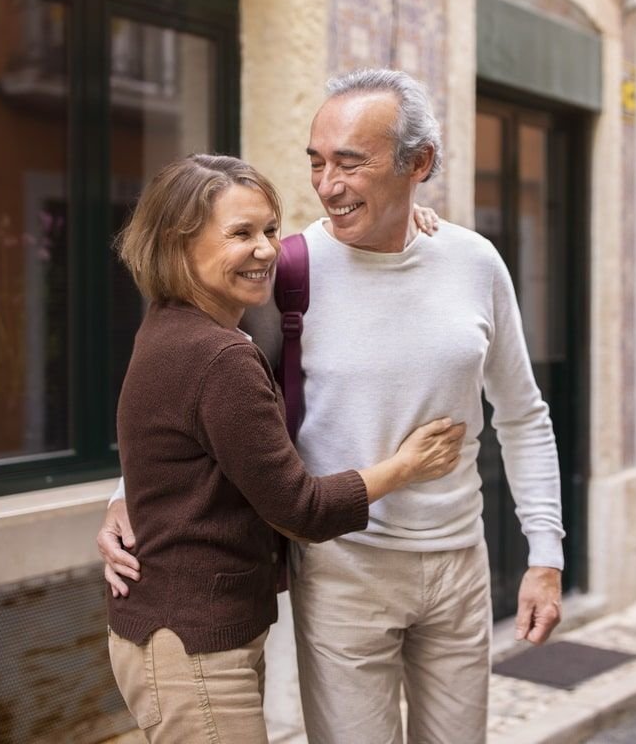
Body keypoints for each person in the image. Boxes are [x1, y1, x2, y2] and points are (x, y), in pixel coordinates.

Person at [99, 70, 565, 743]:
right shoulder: (280, 271)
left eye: (351, 162)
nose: (327, 184)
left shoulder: (473, 262)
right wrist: (125, 494)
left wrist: (544, 555)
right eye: (317, 162)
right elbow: (186, 398)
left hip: (461, 562)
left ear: (419, 164)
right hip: (343, 567)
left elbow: (522, 414)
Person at [106, 153, 466, 743]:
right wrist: (405, 467)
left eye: (270, 229)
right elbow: (299, 510)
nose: (267, 250)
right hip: (192, 644)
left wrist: (401, 214)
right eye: (241, 234)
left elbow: (175, 459)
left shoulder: (173, 325)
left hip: (182, 632)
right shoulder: (219, 355)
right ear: (178, 245)